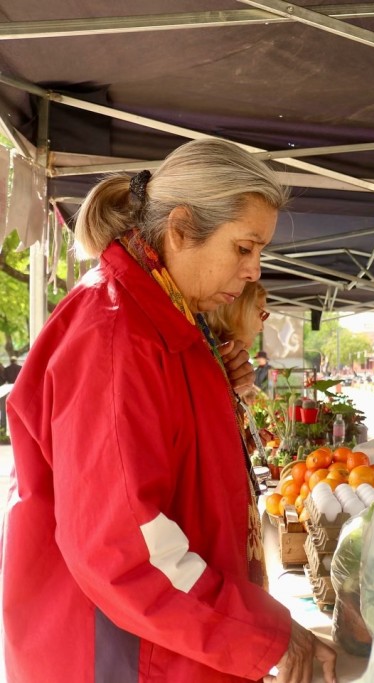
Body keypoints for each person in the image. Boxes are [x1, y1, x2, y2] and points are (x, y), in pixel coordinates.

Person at [1, 139, 336, 683]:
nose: (254, 271)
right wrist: (262, 632)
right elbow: (122, 547)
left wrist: (219, 393)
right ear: (180, 229)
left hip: (168, 644)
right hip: (124, 655)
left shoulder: (164, 314)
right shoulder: (114, 332)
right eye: (244, 248)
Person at [205, 281, 271, 399]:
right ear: (238, 311)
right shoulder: (207, 356)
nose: (261, 328)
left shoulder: (216, 354)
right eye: (262, 315)